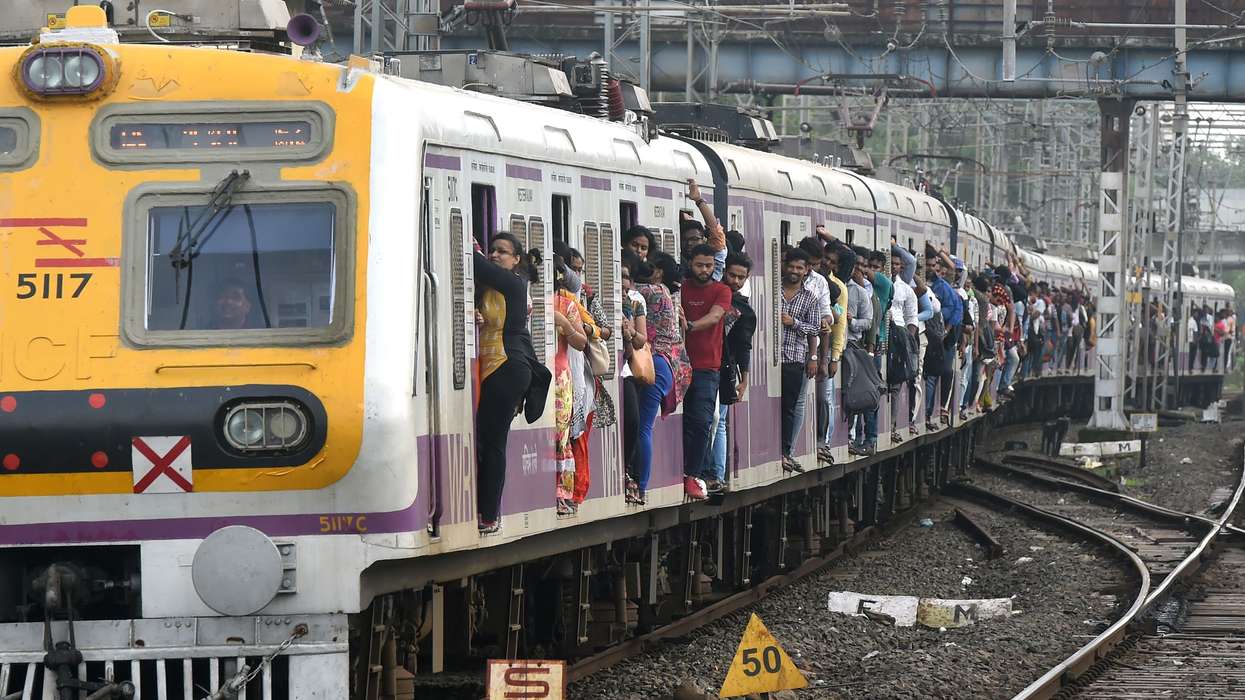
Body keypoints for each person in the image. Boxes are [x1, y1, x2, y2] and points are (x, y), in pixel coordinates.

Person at [473, 233, 551, 534]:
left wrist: (470, 244)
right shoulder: (491, 289)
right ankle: (486, 510)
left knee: (492, 441)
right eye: (492, 250)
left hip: (507, 366)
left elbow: (475, 263)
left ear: (517, 259)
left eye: (502, 252)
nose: (495, 255)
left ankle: (489, 515)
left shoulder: (513, 283)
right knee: (486, 438)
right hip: (493, 367)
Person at [680, 243, 733, 499]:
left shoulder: (722, 290)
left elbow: (715, 316)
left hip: (707, 368)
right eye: (700, 265)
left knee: (702, 421)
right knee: (681, 420)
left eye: (709, 266)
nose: (704, 270)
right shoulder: (681, 288)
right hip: (679, 364)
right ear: (691, 264)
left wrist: (689, 326)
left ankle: (694, 473)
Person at [632, 256, 683, 504]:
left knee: (642, 427)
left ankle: (641, 485)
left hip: (652, 363)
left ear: (659, 272)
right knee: (644, 426)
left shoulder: (650, 291)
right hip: (664, 365)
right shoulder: (665, 293)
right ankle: (640, 484)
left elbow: (621, 291)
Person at [711, 252, 756, 491]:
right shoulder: (712, 295)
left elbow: (744, 347)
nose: (735, 281)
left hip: (726, 370)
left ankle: (717, 474)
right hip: (705, 365)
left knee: (718, 420)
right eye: (732, 275)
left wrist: (744, 379)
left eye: (741, 277)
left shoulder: (744, 311)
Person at [551, 259, 589, 516]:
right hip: (539, 375)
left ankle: (561, 494)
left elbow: (581, 342)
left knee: (560, 437)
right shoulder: (527, 300)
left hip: (560, 378)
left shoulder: (567, 305)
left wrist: (564, 324)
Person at [780, 248, 821, 471]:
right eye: (791, 266)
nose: (794, 271)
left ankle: (786, 451)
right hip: (771, 359)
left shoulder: (810, 298)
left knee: (789, 407)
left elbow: (815, 328)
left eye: (799, 268)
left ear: (806, 270)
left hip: (794, 358)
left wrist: (793, 323)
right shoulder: (774, 289)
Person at [620, 254, 649, 505]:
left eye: (626, 277)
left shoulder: (634, 303)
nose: (622, 281)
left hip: (626, 369)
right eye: (619, 275)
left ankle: (627, 469)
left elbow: (641, 340)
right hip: (605, 369)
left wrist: (628, 331)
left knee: (633, 420)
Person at [845, 248, 875, 455]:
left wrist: (852, 322)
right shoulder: (836, 287)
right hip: (837, 347)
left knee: (854, 393)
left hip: (853, 347)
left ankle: (853, 435)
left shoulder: (860, 292)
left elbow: (868, 322)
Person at [888, 247, 919, 442]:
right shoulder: (878, 284)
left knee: (896, 384)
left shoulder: (906, 289)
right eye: (891, 263)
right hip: (883, 336)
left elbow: (912, 317)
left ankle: (892, 425)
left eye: (897, 264)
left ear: (901, 267)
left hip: (899, 339)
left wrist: (907, 339)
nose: (894, 267)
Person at [680, 179, 727, 281]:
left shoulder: (713, 265)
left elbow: (716, 233)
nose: (689, 243)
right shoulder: (678, 265)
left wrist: (699, 200)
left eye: (695, 239)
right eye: (685, 240)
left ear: (704, 239)